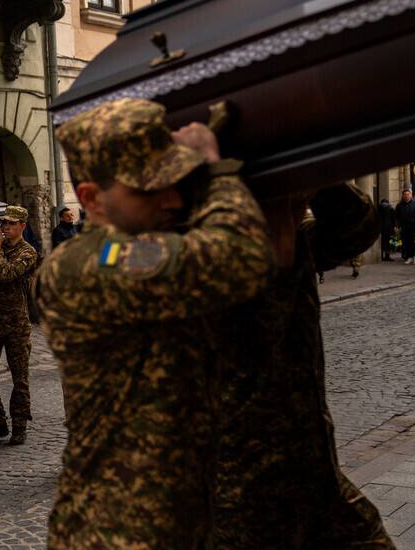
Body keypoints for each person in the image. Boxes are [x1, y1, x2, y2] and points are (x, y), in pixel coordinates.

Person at [33, 98, 273, 548]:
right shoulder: (97, 260)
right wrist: (217, 170)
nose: (174, 199)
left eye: (177, 181)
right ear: (91, 200)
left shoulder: (139, 249)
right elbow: (241, 257)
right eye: (149, 189)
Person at [214, 184, 394, 548]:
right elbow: (258, 332)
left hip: (314, 477)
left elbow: (359, 228)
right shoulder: (188, 257)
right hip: (235, 497)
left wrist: (315, 180)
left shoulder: (295, 242)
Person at [0, 206, 39, 446]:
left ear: (22, 227)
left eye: (12, 224)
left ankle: (19, 424)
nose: (6, 227)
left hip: (16, 324)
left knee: (20, 378)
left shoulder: (28, 252)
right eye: (4, 223)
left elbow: (6, 274)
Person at [395, 187, 415, 264]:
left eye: (408, 194)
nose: (406, 196)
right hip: (404, 225)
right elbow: (396, 216)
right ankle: (409, 257)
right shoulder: (399, 205)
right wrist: (396, 226)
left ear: (410, 195)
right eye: (405, 194)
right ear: (402, 196)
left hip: (413, 224)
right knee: (406, 242)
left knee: (414, 241)